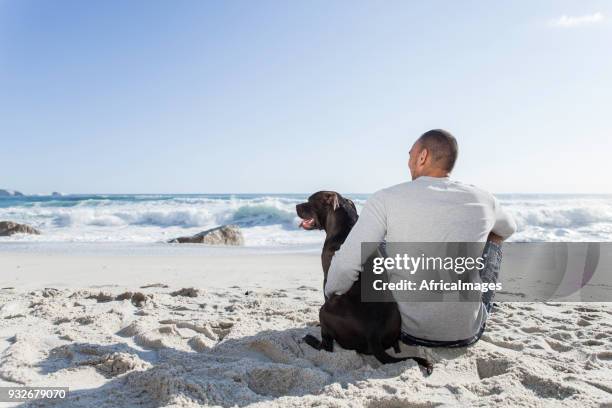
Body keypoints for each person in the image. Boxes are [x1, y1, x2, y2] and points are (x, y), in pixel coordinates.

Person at [324, 129, 516, 347]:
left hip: (404, 331)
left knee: (378, 243)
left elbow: (346, 265)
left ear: (422, 156)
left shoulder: (386, 198)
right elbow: (507, 230)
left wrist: (332, 295)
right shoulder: (484, 198)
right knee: (494, 238)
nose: (408, 162)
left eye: (410, 154)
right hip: (467, 333)